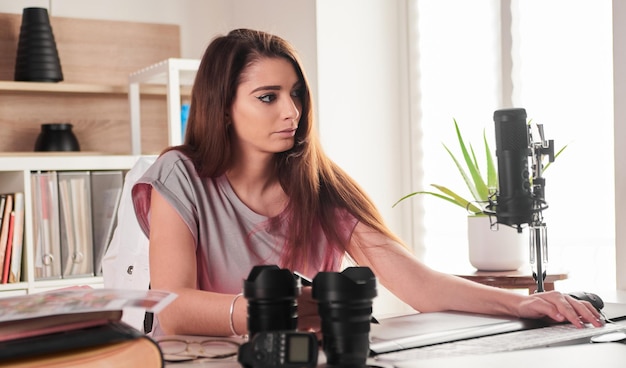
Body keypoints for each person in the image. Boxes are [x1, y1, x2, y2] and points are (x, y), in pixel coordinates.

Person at [131, 28, 603, 337]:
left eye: (295, 94)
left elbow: (415, 282)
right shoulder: (180, 174)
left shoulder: (322, 186)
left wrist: (519, 305)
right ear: (223, 106)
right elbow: (172, 307)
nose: (291, 111)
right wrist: (277, 311)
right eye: (267, 97)